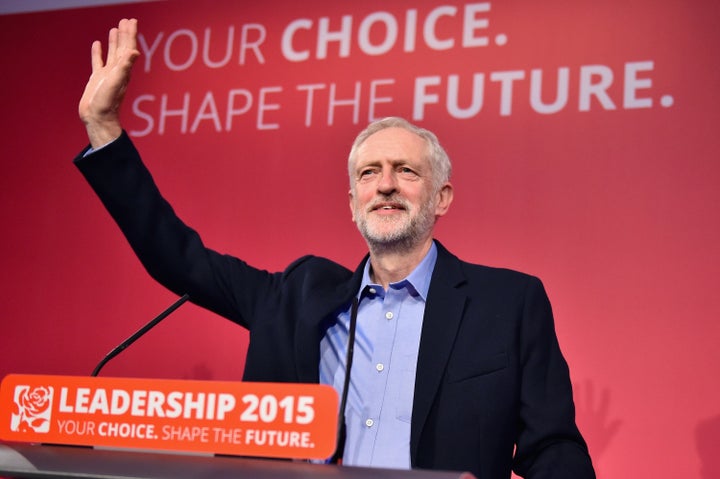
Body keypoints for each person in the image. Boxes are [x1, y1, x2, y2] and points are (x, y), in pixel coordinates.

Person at [75, 18, 595, 479]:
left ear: (441, 198)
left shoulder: (507, 304)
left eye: (406, 171)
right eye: (370, 173)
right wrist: (103, 128)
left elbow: (553, 450)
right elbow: (175, 255)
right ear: (353, 203)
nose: (385, 184)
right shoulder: (295, 298)